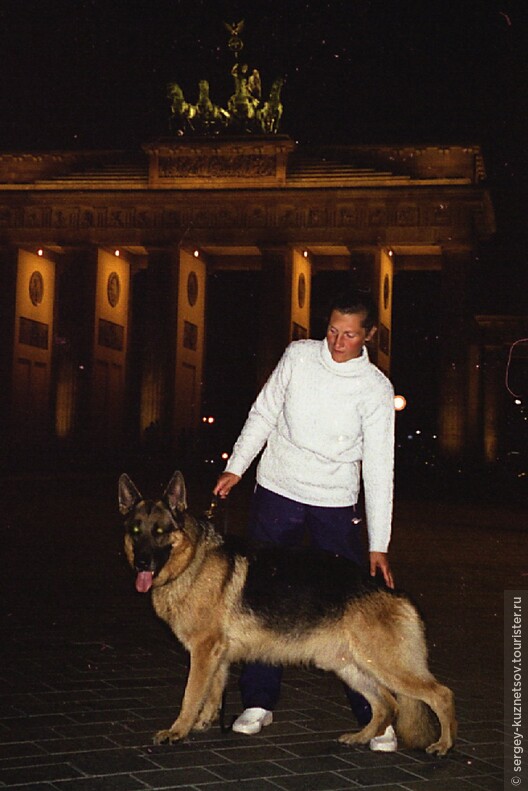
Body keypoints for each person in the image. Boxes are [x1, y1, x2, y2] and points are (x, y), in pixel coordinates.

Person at [213, 289, 397, 752]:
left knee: (350, 609)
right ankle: (257, 700)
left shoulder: (375, 388)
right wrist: (237, 465)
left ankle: (376, 714)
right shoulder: (297, 357)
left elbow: (379, 466)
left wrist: (379, 544)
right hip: (277, 491)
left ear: (368, 335)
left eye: (349, 335)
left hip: (334, 503)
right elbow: (264, 412)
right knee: (260, 598)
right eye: (332, 330)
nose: (337, 342)